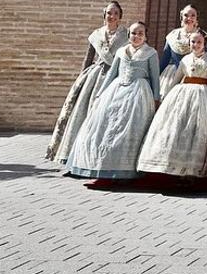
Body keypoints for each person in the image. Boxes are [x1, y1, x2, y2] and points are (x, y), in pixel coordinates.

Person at [66, 22, 160, 179]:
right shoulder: (121, 51)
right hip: (116, 90)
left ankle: (126, 168)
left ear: (145, 36)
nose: (136, 36)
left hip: (138, 92)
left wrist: (156, 98)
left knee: (130, 126)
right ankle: (100, 165)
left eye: (140, 33)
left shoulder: (150, 53)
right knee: (105, 124)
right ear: (128, 35)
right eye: (133, 33)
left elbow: (155, 78)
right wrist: (101, 93)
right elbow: (111, 74)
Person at [46, 1, 128, 163]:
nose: (112, 16)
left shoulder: (125, 35)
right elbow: (88, 59)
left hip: (115, 76)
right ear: (104, 15)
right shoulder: (96, 35)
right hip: (95, 77)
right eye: (109, 13)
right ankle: (77, 152)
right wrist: (81, 79)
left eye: (116, 14)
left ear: (120, 17)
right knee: (86, 112)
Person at [138, 30, 207, 177]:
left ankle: (191, 171)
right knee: (178, 128)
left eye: (199, 42)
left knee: (195, 130)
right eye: (193, 42)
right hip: (182, 96)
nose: (196, 45)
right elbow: (176, 79)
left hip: (201, 97)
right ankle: (174, 167)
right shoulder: (185, 60)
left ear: (204, 44)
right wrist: (165, 98)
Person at [159, 4, 207, 98]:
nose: (189, 18)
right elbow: (165, 60)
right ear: (181, 17)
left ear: (196, 18)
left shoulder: (203, 36)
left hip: (193, 76)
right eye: (186, 15)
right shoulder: (173, 35)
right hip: (172, 75)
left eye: (192, 15)